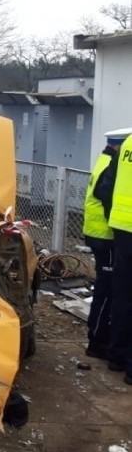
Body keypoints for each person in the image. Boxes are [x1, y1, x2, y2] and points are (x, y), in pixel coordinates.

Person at [83, 129, 128, 359]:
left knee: (108, 289)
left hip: (99, 234)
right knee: (108, 290)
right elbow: (105, 194)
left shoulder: (104, 160)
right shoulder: (111, 164)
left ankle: (99, 338)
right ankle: (98, 340)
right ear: (119, 147)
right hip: (106, 236)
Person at [94, 128, 132, 385]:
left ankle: (117, 355)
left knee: (122, 296)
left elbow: (106, 186)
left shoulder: (128, 144)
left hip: (122, 231)